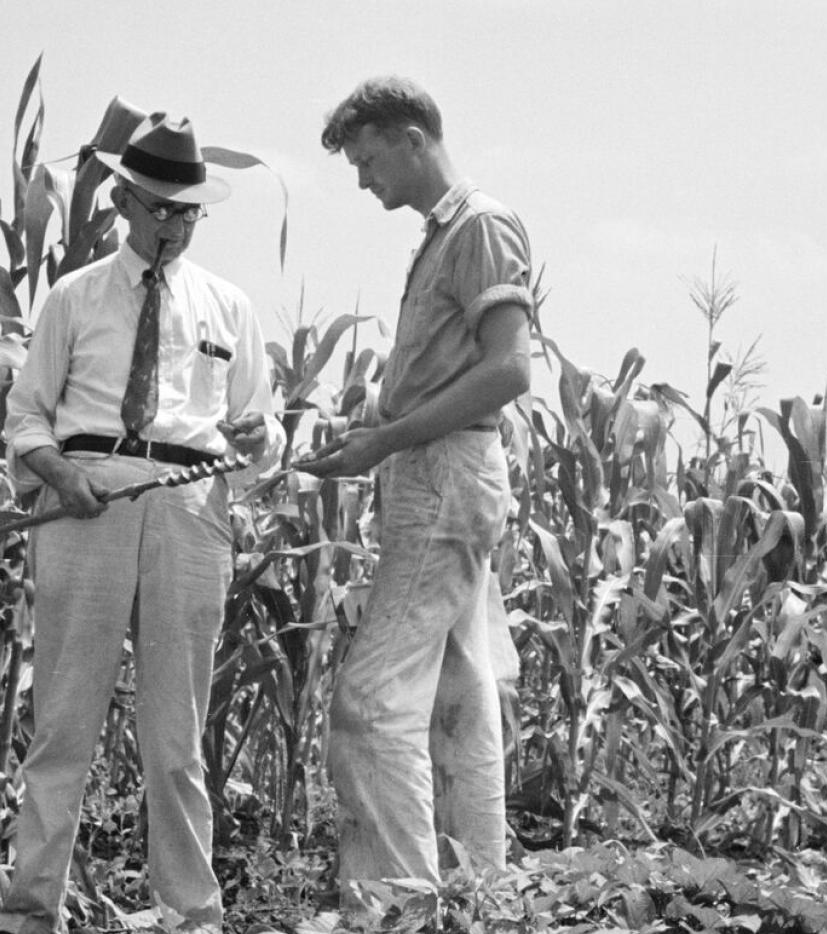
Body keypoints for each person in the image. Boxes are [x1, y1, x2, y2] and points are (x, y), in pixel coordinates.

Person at [1, 111, 282, 934]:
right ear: (122, 201)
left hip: (191, 507)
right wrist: (60, 475)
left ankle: (190, 916)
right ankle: (27, 914)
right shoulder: (73, 297)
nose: (170, 226)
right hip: (87, 498)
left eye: (185, 211)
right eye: (156, 208)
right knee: (63, 721)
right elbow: (25, 420)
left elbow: (261, 435)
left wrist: (264, 436)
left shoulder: (229, 308)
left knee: (176, 735)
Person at [300, 76, 533, 916]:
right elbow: (453, 371)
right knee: (458, 697)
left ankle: (397, 909)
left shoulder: (478, 226)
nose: (364, 181)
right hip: (431, 469)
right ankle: (486, 896)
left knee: (368, 705)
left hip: (442, 475)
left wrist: (388, 441)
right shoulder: (445, 235)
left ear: (410, 137)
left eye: (367, 160)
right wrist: (370, 437)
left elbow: (509, 370)